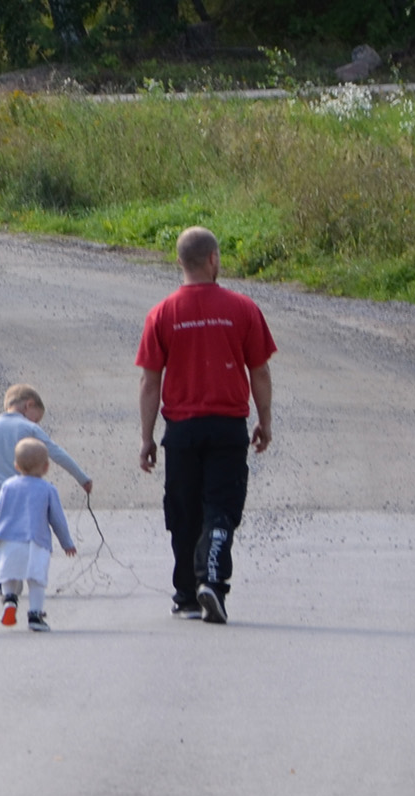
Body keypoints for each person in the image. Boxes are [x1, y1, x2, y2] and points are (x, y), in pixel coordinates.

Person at [136, 226, 275, 624]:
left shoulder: (162, 313)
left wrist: (147, 438)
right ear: (213, 259)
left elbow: (150, 381)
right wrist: (264, 422)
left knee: (183, 511)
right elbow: (260, 371)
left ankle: (186, 595)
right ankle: (212, 581)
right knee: (221, 508)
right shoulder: (243, 309)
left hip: (181, 430)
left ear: (179, 262)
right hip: (228, 427)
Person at [0, 438, 77, 632]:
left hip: (7, 540)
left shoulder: (8, 486)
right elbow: (57, 519)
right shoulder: (48, 489)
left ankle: (9, 600)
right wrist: (67, 543)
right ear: (46, 467)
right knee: (36, 580)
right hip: (36, 541)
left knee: (8, 575)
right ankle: (35, 615)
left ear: (16, 465)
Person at [0, 384, 92, 514]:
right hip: (22, 492)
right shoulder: (30, 428)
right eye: (36, 419)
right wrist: (82, 479)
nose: (36, 423)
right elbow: (57, 453)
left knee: (1, 530)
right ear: (29, 405)